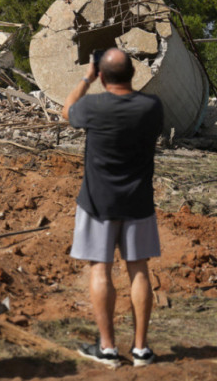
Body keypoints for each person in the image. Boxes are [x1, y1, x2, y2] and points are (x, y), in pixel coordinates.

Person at [61, 48, 163, 368]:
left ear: (102, 75)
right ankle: (141, 350)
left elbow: (67, 111)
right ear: (132, 74)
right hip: (139, 202)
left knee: (100, 270)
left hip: (97, 203)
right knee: (138, 270)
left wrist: (86, 78)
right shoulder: (152, 107)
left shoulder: (91, 105)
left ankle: (107, 348)